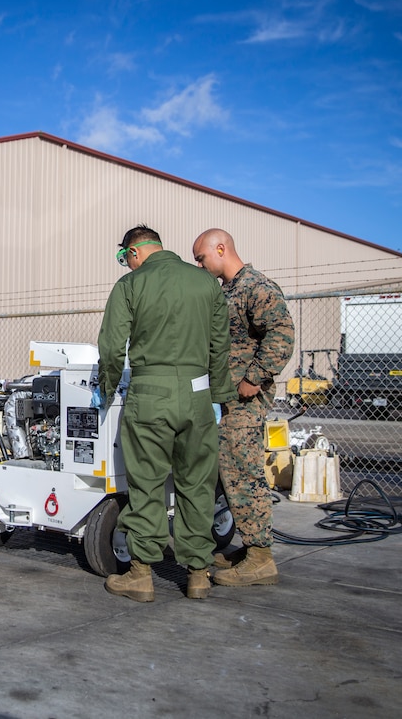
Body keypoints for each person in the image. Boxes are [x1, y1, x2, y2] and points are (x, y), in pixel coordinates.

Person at [97, 225, 236, 602]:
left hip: (149, 396)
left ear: (135, 252)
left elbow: (111, 347)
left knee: (146, 485)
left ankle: (140, 575)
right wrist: (219, 395)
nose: (126, 264)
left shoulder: (130, 286)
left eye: (124, 258)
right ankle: (198, 575)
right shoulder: (207, 285)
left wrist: (106, 388)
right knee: (197, 486)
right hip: (198, 395)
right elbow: (219, 346)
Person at [191, 228, 294, 586]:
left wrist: (254, 377)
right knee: (229, 472)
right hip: (226, 398)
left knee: (243, 473)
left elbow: (281, 334)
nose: (199, 265)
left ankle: (261, 557)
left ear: (221, 249)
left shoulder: (255, 287)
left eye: (201, 258)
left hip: (245, 399)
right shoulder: (227, 291)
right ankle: (251, 548)